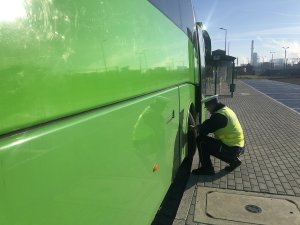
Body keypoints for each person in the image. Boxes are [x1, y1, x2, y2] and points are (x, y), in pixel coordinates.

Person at [191, 95, 245, 175]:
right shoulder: (225, 110)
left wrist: (194, 128)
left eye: (207, 107)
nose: (207, 110)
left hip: (232, 149)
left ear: (212, 105)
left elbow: (205, 129)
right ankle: (234, 161)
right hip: (239, 146)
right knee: (208, 142)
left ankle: (207, 169)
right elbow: (210, 123)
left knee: (201, 140)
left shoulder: (219, 116)